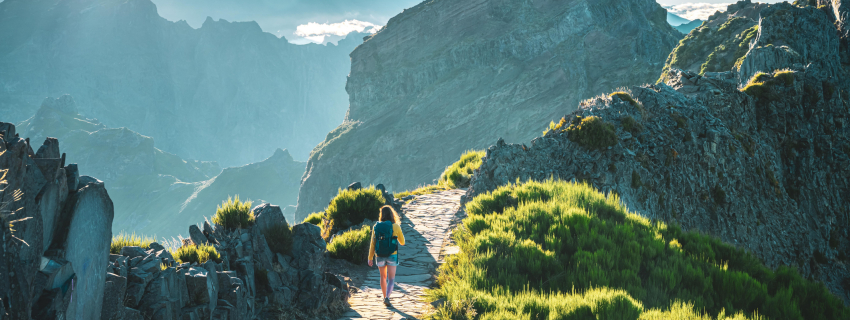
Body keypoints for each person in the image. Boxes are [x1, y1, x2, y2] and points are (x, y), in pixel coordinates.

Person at [367, 205, 406, 306]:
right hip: (392, 255)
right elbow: (402, 242)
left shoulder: (376, 226)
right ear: (392, 214)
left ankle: (384, 297)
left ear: (381, 215)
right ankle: (387, 297)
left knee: (382, 277)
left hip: (379, 255)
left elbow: (373, 243)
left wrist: (370, 258)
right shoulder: (396, 226)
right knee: (391, 278)